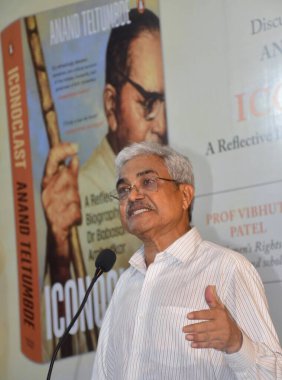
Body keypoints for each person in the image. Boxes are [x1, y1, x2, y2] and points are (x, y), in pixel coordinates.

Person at [92, 141, 282, 379]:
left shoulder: (227, 269)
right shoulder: (125, 284)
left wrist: (236, 343)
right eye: (123, 189)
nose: (133, 195)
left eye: (148, 182)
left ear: (185, 195)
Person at [41, 8, 167, 358]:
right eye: (149, 102)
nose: (162, 124)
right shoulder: (70, 204)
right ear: (111, 106)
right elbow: (62, 345)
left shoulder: (173, 184)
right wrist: (61, 253)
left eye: (168, 102)